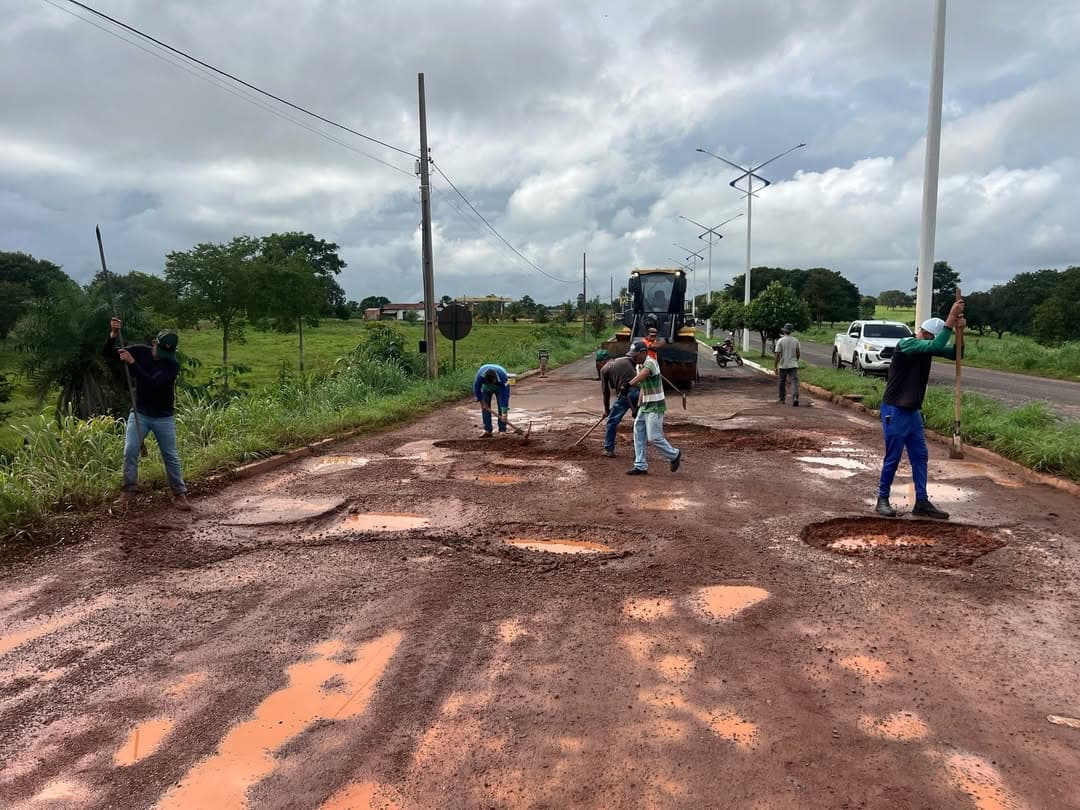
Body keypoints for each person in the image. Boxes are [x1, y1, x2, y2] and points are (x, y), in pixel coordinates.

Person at [875, 300, 965, 520]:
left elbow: (957, 354)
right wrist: (950, 319)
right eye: (934, 338)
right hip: (895, 409)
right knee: (893, 457)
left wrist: (960, 333)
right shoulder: (907, 344)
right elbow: (935, 346)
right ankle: (882, 499)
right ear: (926, 334)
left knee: (920, 456)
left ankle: (922, 502)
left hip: (912, 411)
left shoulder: (928, 346)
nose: (936, 343)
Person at [104, 318, 189, 510]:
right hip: (140, 414)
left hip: (164, 417)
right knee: (130, 450)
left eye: (167, 353)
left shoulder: (172, 365)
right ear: (154, 343)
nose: (163, 356)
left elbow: (152, 384)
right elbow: (108, 354)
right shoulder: (141, 351)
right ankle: (129, 491)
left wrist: (132, 363)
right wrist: (113, 335)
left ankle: (179, 493)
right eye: (161, 351)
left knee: (170, 455)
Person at [625, 339, 682, 476]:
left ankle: (674, 455)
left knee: (654, 437)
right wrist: (638, 406)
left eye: (635, 355)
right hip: (645, 405)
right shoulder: (639, 366)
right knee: (638, 434)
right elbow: (643, 387)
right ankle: (640, 465)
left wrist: (628, 384)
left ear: (643, 352)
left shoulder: (651, 362)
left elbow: (644, 374)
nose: (633, 358)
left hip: (655, 405)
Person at [599, 348, 641, 458]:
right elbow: (636, 368)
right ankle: (640, 450)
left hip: (625, 394)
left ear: (600, 362)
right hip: (639, 392)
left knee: (612, 421)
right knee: (640, 421)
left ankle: (609, 449)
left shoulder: (604, 369)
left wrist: (606, 410)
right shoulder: (625, 359)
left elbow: (606, 392)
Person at [473, 364, 511, 437]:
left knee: (501, 407)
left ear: (495, 379)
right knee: (485, 408)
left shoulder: (503, 377)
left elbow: (505, 395)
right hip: (486, 388)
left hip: (499, 388)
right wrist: (481, 401)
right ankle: (487, 430)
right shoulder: (480, 375)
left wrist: (504, 412)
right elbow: (476, 388)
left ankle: (502, 430)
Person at [774, 323, 801, 406]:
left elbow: (777, 355)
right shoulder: (795, 340)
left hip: (783, 365)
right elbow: (798, 352)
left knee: (782, 382)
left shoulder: (780, 341)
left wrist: (775, 366)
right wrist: (796, 360)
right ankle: (795, 397)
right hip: (793, 364)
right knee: (794, 381)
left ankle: (782, 399)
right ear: (791, 331)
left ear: (784, 331)